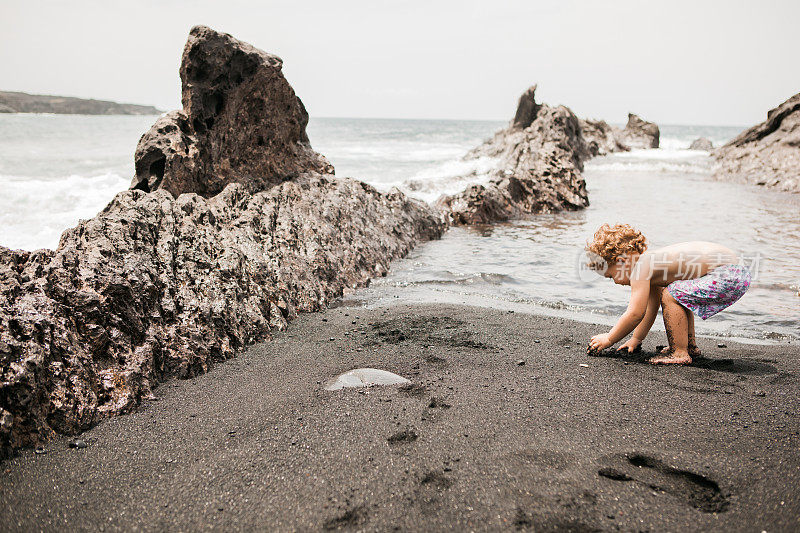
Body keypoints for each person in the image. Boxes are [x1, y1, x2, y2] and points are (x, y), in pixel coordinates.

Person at [584, 223, 751, 364]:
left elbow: (635, 313)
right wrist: (636, 339)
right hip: (736, 273)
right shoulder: (650, 266)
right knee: (677, 293)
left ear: (621, 262)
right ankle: (689, 346)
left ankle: (679, 352)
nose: (614, 281)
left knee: (671, 294)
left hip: (728, 275)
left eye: (610, 275)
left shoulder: (640, 268)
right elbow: (650, 308)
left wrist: (609, 339)